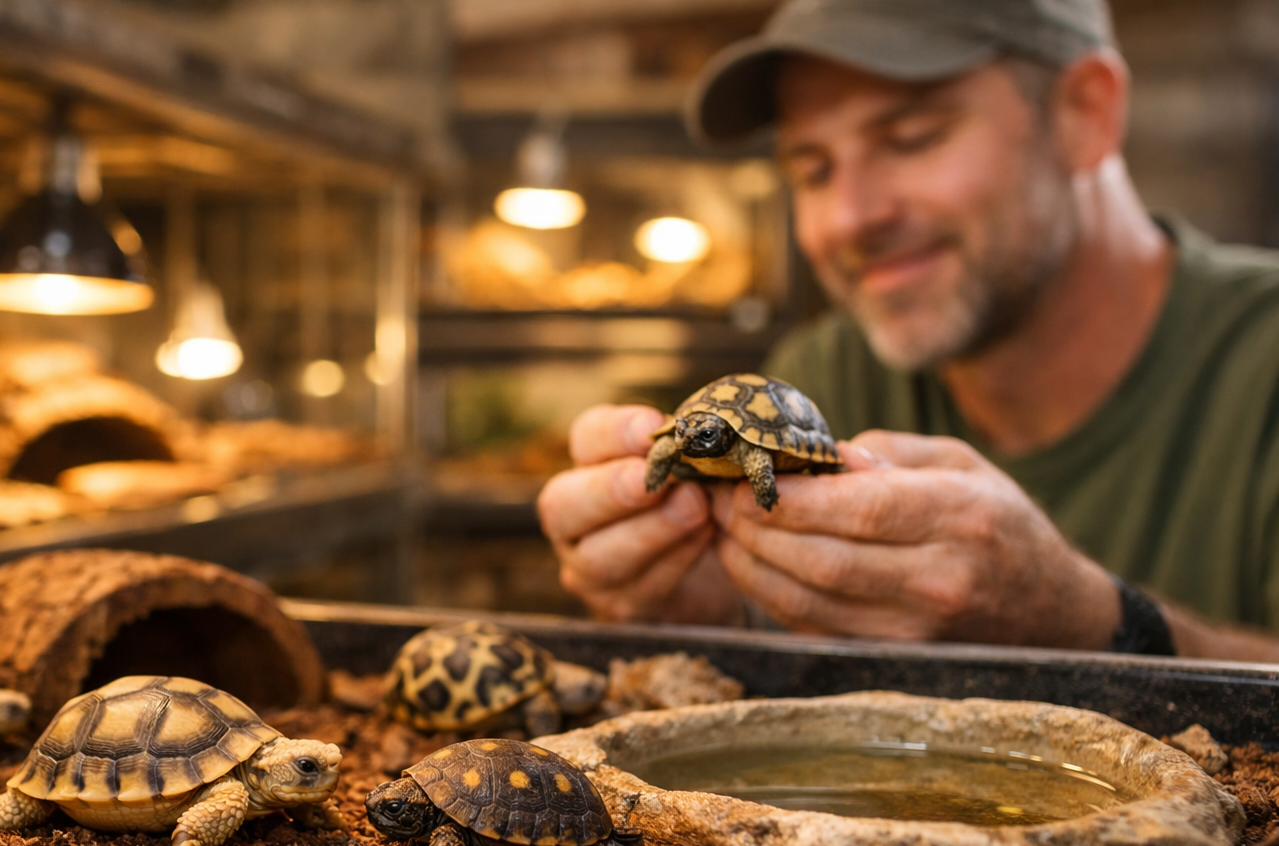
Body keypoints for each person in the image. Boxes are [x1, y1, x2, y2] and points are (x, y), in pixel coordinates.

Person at [537, 0, 1279, 661]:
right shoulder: (825, 372)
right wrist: (713, 614)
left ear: (1085, 113)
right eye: (814, 168)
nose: (851, 218)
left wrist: (1090, 625)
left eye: (913, 137)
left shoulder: (1259, 359)